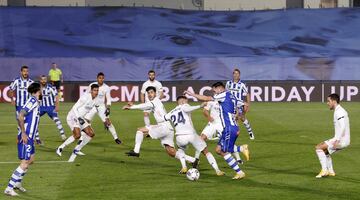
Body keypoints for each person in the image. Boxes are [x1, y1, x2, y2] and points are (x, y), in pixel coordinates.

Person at [185, 82, 249, 180]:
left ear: (219, 88)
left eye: (214, 90)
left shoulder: (222, 95)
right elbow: (244, 104)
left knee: (225, 150)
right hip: (231, 127)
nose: (214, 92)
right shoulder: (232, 96)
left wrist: (191, 94)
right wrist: (240, 114)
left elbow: (206, 98)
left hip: (229, 128)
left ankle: (241, 149)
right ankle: (240, 173)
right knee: (219, 150)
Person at [123, 86, 196, 172]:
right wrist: (133, 105)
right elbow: (145, 107)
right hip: (169, 129)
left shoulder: (156, 100)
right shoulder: (154, 103)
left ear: (155, 93)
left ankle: (136, 151)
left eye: (151, 92)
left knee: (140, 130)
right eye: (148, 93)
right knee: (171, 152)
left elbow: (146, 105)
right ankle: (193, 160)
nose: (150, 94)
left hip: (163, 126)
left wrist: (131, 107)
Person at [164, 96, 224, 175]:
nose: (187, 103)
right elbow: (186, 109)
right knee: (205, 151)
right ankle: (217, 170)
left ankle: (184, 167)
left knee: (181, 150)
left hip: (179, 136)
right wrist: (200, 106)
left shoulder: (171, 112)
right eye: (186, 101)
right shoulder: (185, 105)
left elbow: (164, 118)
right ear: (183, 101)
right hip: (191, 134)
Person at [4, 83, 41, 196]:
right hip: (26, 137)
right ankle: (9, 188)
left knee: (31, 160)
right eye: (41, 90)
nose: (42, 91)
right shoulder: (32, 101)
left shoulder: (35, 101)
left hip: (30, 137)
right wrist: (23, 133)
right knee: (24, 163)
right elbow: (20, 115)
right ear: (37, 90)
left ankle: (18, 183)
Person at [56, 84, 100, 162]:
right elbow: (75, 108)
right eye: (94, 90)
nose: (96, 92)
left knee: (91, 134)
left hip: (81, 118)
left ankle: (77, 149)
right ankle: (60, 148)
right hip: (73, 116)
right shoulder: (85, 97)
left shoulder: (96, 100)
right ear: (91, 90)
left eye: (97, 90)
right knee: (77, 135)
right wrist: (79, 118)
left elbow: (97, 108)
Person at [199, 100, 247, 165]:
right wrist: (209, 117)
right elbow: (205, 110)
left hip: (222, 124)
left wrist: (237, 115)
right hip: (212, 124)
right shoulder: (212, 100)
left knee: (228, 142)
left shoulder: (228, 101)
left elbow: (240, 107)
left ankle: (238, 158)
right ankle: (198, 158)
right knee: (201, 139)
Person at [315, 93, 350, 178]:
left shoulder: (339, 112)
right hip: (342, 139)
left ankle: (324, 171)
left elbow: (343, 126)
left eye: (328, 101)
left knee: (319, 148)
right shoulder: (339, 110)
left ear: (334, 101)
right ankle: (331, 171)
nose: (327, 103)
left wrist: (337, 140)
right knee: (325, 151)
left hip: (341, 140)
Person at [84, 72, 121, 144]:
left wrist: (108, 108)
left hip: (101, 106)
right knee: (86, 121)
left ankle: (116, 138)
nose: (101, 79)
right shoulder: (92, 85)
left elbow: (108, 99)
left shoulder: (106, 87)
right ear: (97, 78)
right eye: (100, 78)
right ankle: (84, 137)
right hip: (92, 107)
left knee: (108, 122)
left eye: (102, 78)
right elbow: (86, 94)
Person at [34, 75, 66, 142]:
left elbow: (57, 96)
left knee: (56, 119)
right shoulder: (38, 88)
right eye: (42, 79)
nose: (43, 81)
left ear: (46, 80)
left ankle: (63, 135)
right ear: (40, 80)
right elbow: (38, 98)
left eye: (44, 79)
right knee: (34, 119)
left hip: (50, 107)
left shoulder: (51, 87)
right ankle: (37, 138)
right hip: (41, 107)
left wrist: (57, 106)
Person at [226, 68, 255, 140]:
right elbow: (226, 93)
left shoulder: (242, 84)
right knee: (230, 119)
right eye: (234, 73)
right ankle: (229, 134)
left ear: (239, 75)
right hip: (230, 104)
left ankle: (250, 132)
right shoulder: (228, 83)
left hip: (239, 104)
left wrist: (248, 104)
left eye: (237, 73)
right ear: (233, 75)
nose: (236, 75)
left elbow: (247, 94)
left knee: (242, 118)